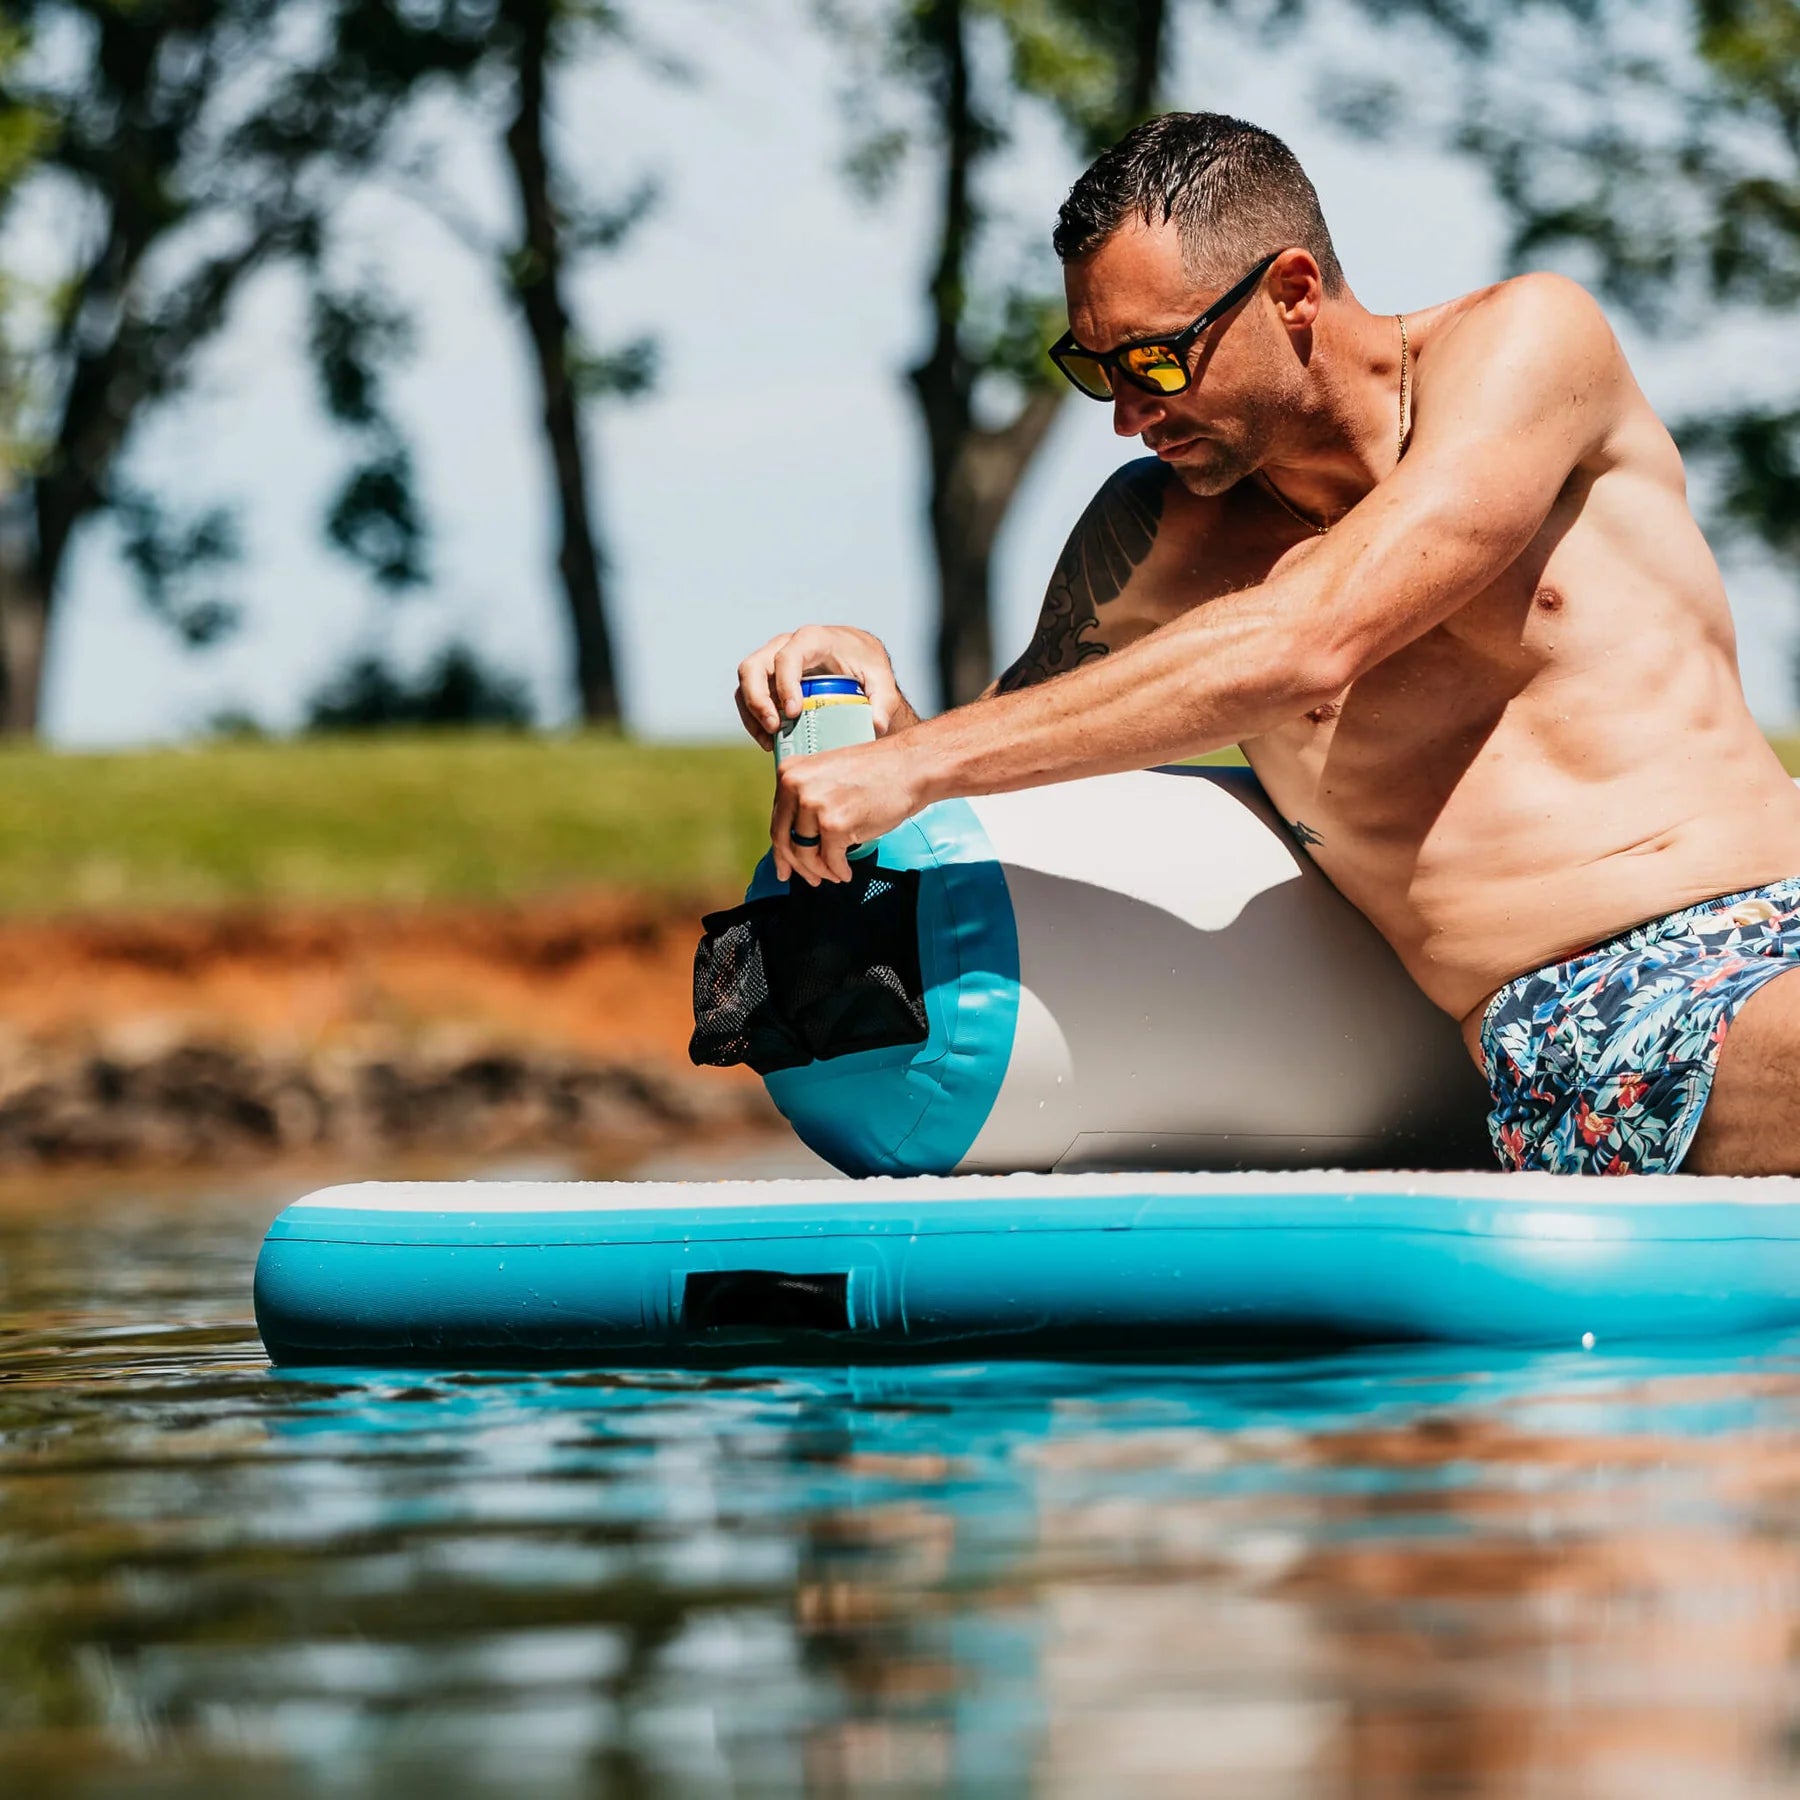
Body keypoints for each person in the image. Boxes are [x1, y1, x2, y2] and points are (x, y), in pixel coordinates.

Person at [733, 111, 1800, 1178]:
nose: (1127, 416)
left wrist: (916, 761)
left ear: (1293, 292)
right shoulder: (1149, 544)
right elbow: (1004, 777)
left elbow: (1316, 631)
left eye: (1156, 360)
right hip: (1603, 1006)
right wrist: (881, 710)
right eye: (1096, 369)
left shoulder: (1526, 344)